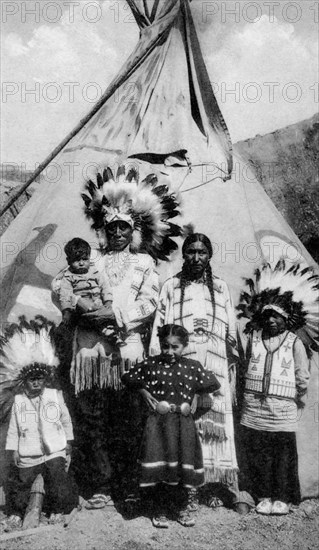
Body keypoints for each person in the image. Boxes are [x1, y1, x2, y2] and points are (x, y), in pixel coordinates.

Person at [51, 166, 181, 506]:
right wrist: (83, 307)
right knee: (92, 418)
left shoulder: (143, 263)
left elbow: (151, 301)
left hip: (127, 350)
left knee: (127, 420)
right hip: (91, 351)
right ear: (104, 230)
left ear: (134, 230)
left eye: (124, 228)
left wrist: (118, 316)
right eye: (112, 228)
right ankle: (99, 485)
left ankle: (127, 486)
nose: (118, 233)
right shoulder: (90, 259)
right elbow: (58, 284)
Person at [150, 232, 239, 508]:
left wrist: (230, 361)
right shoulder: (171, 287)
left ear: (209, 255)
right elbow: (158, 329)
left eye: (202, 252)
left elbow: (231, 332)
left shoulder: (221, 288)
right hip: (181, 367)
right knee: (184, 425)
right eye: (191, 252)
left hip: (215, 367)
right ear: (184, 254)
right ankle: (186, 487)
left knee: (216, 425)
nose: (196, 257)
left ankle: (212, 484)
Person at [237, 260, 316, 515]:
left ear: (287, 319)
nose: (271, 321)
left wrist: (294, 397)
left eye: (277, 316)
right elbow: (246, 364)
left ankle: (282, 495)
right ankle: (264, 495)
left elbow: (302, 375)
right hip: (254, 409)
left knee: (282, 453)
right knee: (259, 453)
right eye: (267, 315)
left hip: (282, 409)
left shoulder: (295, 342)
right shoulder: (254, 338)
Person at [122, 324, 220, 528]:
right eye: (165, 346)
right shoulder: (151, 364)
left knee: (182, 466)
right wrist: (143, 391)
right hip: (158, 425)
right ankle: (160, 509)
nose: (169, 352)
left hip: (183, 425)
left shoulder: (192, 366)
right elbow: (128, 377)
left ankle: (181, 507)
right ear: (159, 344)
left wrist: (196, 394)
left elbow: (213, 383)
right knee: (161, 466)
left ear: (184, 346)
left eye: (175, 347)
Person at [1, 318, 78, 528]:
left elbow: (65, 419)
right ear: (23, 381)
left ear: (46, 379)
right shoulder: (19, 401)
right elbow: (14, 430)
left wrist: (68, 440)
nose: (36, 382)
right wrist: (14, 449)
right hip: (28, 451)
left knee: (57, 478)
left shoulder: (55, 395)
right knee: (22, 481)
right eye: (32, 379)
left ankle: (56, 509)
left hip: (54, 449)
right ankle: (16, 512)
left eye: (40, 378)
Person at [55, 238, 113, 331]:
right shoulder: (68, 276)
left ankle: (110, 332)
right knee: (75, 322)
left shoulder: (95, 272)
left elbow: (105, 287)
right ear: (68, 260)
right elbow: (65, 295)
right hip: (81, 308)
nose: (81, 263)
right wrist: (66, 311)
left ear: (89, 257)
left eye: (85, 259)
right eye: (76, 260)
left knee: (109, 315)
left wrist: (108, 301)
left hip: (97, 304)